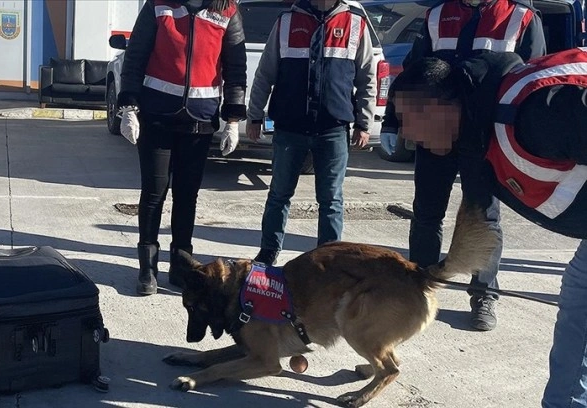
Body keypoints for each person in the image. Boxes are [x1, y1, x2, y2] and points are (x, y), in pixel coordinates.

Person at [388, 47, 587, 408]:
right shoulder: (479, 129)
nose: (406, 135)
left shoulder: (534, 113)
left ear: (439, 108)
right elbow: (476, 220)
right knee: (578, 308)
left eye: (406, 119)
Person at [380, 0, 548, 331]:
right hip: (435, 134)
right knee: (426, 214)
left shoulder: (521, 18)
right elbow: (414, 74)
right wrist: (391, 121)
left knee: (483, 218)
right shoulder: (437, 16)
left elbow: (535, 84)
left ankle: (484, 294)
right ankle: (417, 288)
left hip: (485, 140)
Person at [117, 0, 247, 295]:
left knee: (187, 196)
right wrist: (128, 106)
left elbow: (236, 67)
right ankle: (147, 269)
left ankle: (180, 265)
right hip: (157, 118)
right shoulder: (159, 6)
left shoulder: (226, 11)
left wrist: (233, 120)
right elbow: (135, 57)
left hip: (199, 122)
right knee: (153, 194)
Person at [246, 0, 377, 266]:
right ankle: (269, 251)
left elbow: (367, 77)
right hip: (289, 129)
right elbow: (265, 73)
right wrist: (255, 115)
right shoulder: (286, 22)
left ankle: (329, 259)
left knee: (331, 199)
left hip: (333, 129)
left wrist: (365, 122)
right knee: (279, 194)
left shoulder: (355, 23)